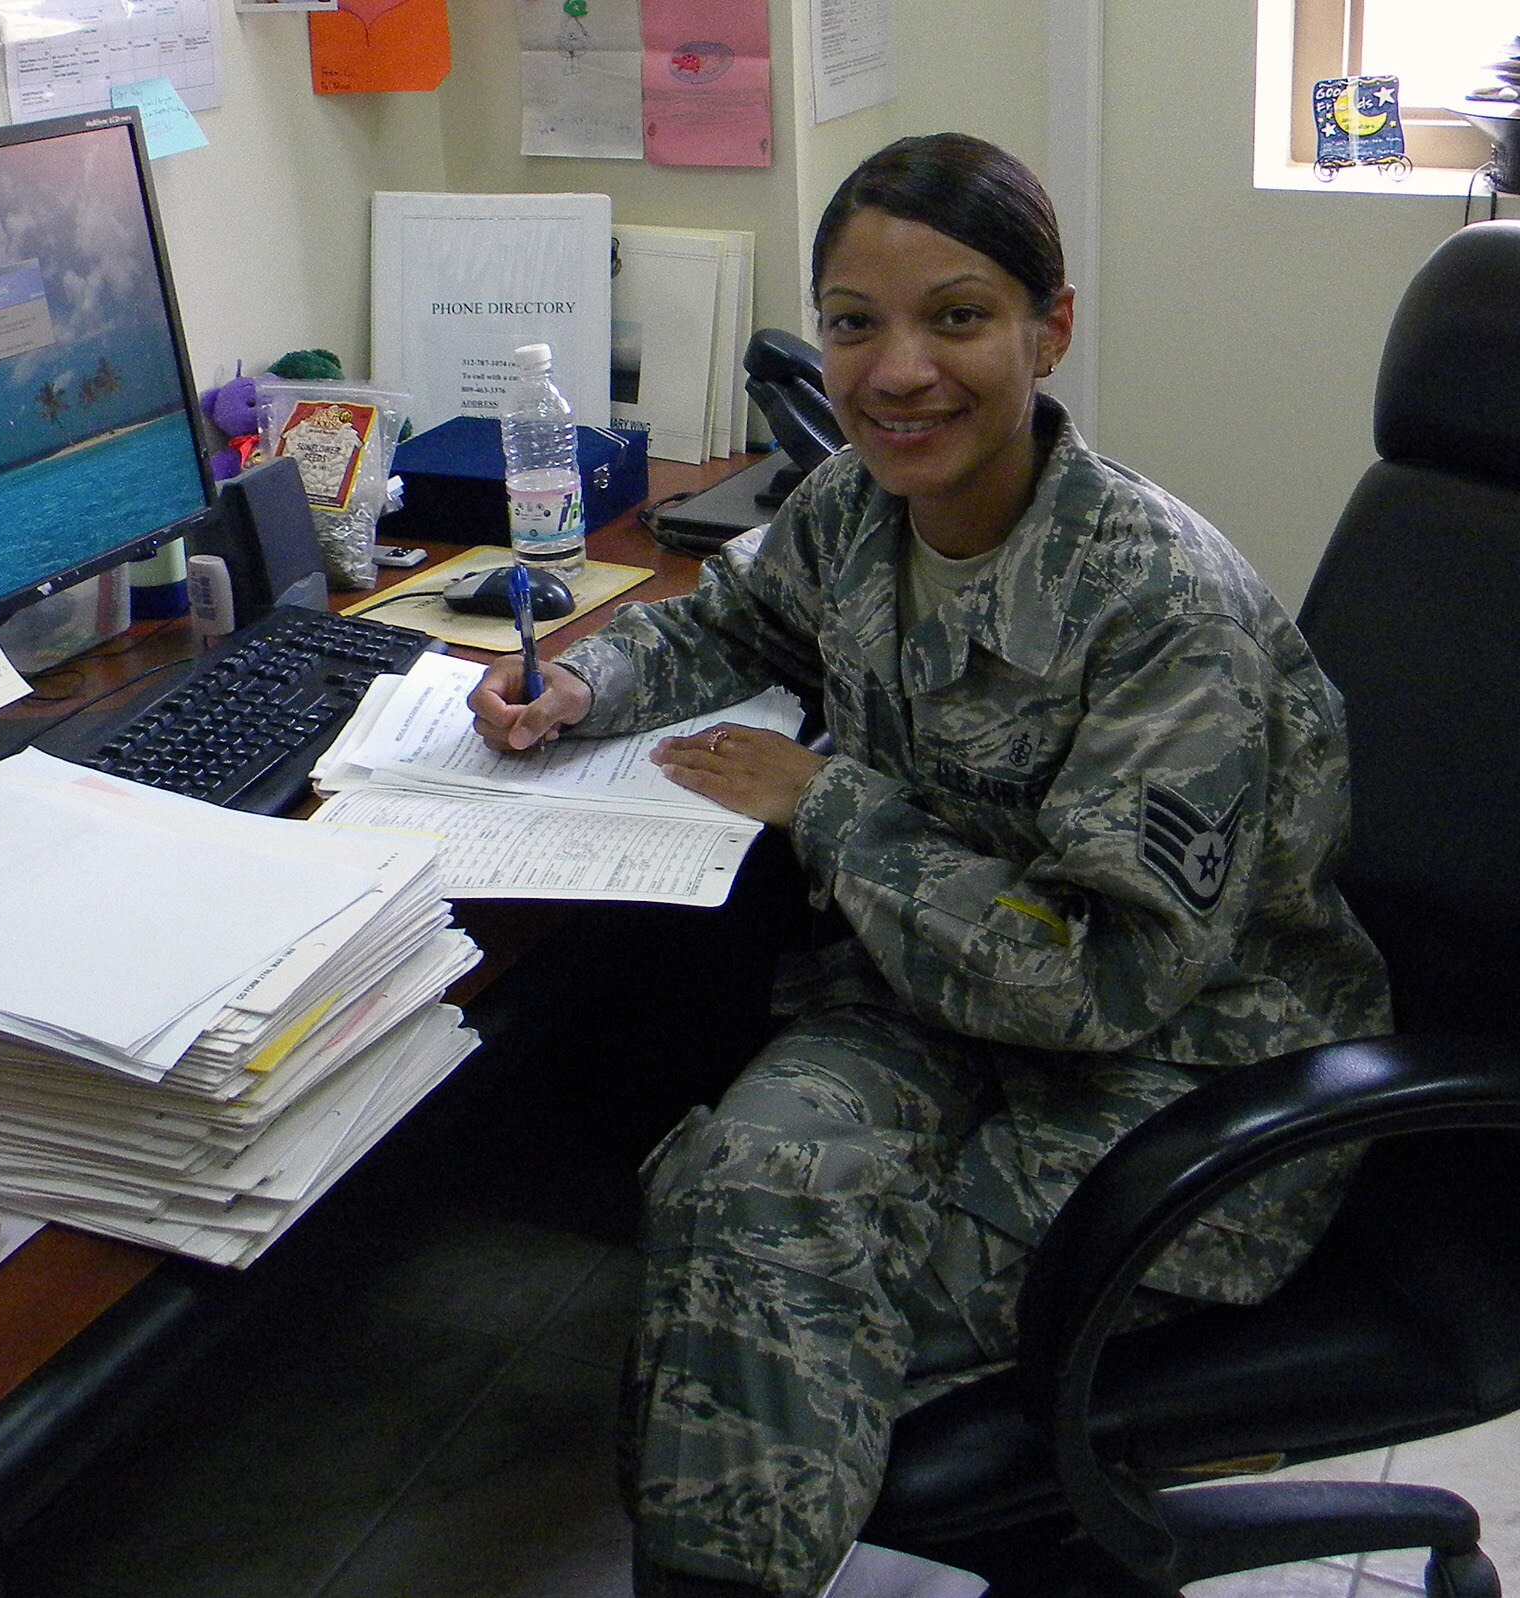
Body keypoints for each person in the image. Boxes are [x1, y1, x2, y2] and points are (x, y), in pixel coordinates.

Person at [466, 133, 1391, 1598]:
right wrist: (584, 683)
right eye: (855, 323)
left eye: (956, 317)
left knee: (765, 1301)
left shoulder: (1161, 607)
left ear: (1050, 329)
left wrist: (828, 805)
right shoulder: (859, 506)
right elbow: (733, 626)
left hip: (1184, 1088)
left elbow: (1104, 980)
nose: (899, 373)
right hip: (933, 1003)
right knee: (733, 1193)